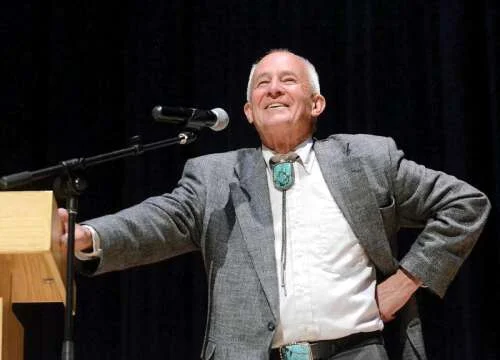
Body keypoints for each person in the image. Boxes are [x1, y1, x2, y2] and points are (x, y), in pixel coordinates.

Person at [59, 49, 490, 360]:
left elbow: (464, 204)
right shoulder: (215, 177)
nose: (273, 89)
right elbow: (158, 221)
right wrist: (89, 235)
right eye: (261, 84)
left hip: (355, 352)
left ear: (316, 103)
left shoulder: (365, 161)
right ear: (248, 111)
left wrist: (406, 280)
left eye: (288, 80)